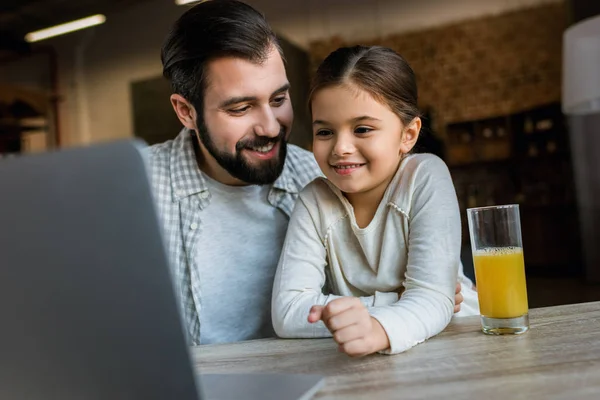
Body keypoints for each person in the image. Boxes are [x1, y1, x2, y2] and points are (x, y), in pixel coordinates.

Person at [148, 0, 470, 346]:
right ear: (186, 112)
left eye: (278, 100)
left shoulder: (324, 175)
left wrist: (417, 306)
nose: (271, 128)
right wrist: (396, 303)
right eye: (241, 108)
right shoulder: (135, 192)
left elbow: (439, 297)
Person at [271, 45, 479, 357]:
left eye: (363, 129)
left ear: (408, 135)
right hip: (368, 352)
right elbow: (288, 313)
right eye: (325, 131)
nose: (341, 147)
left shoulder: (425, 176)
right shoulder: (314, 200)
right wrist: (393, 302)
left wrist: (379, 325)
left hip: (454, 344)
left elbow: (435, 303)